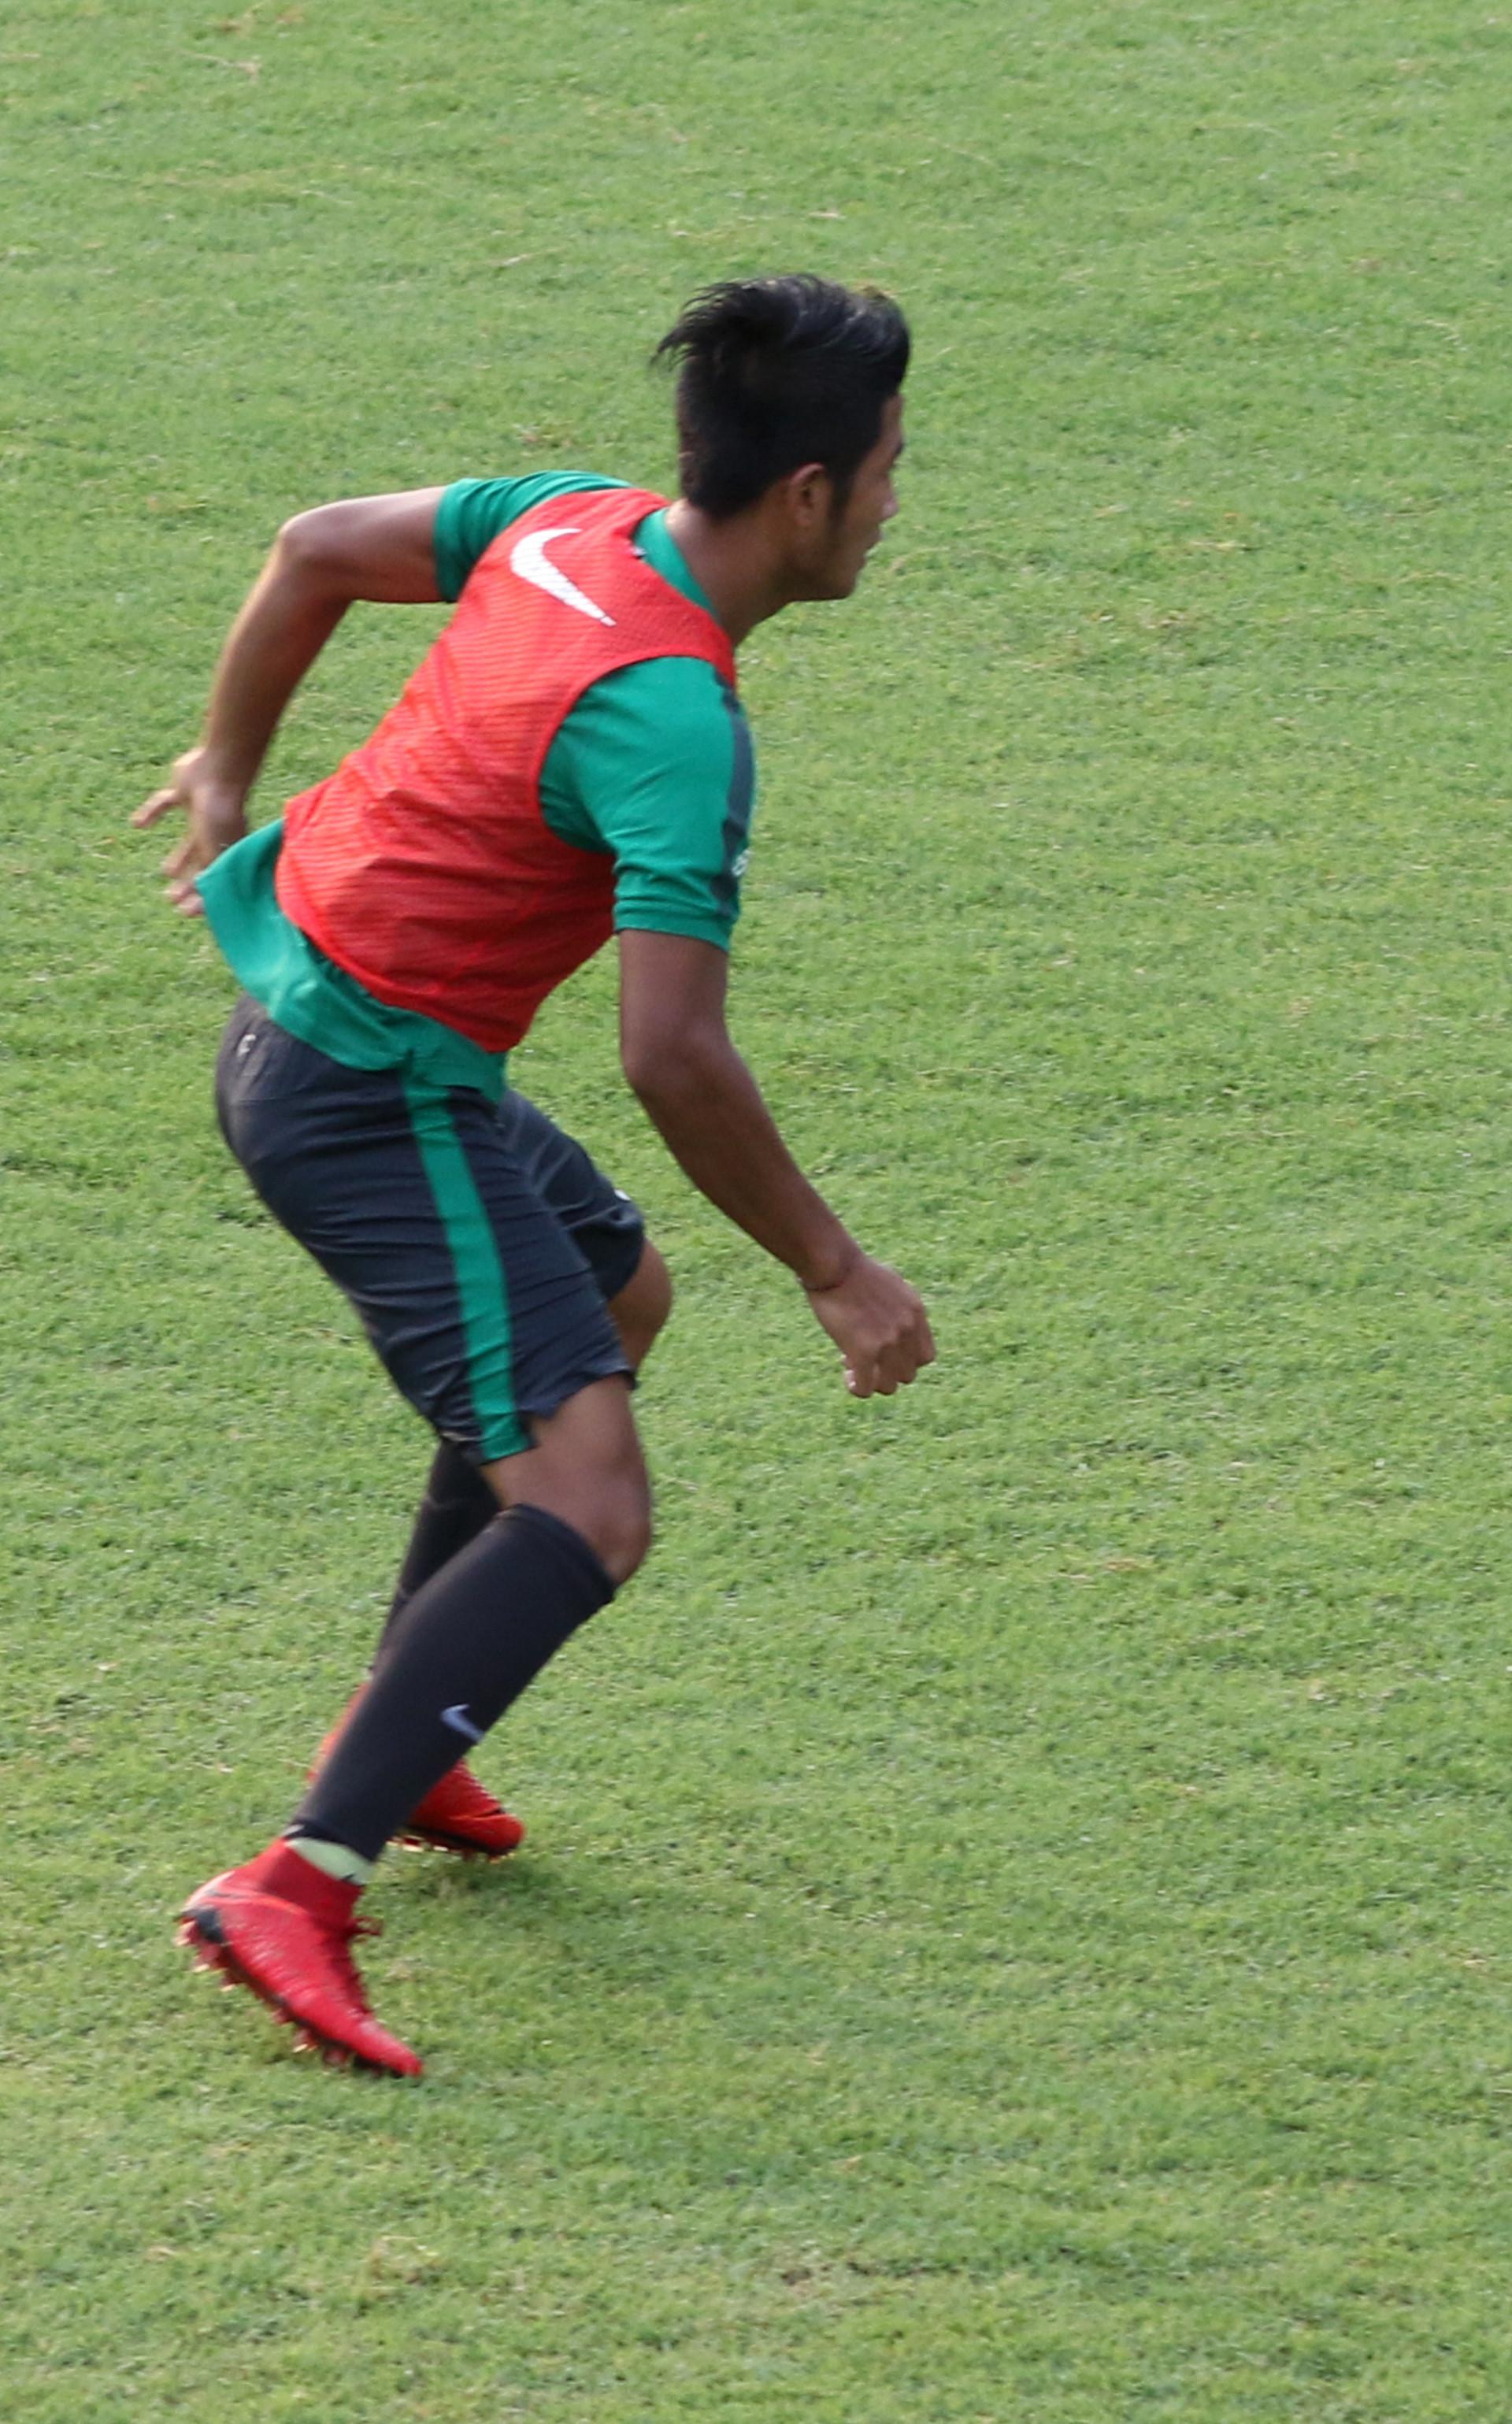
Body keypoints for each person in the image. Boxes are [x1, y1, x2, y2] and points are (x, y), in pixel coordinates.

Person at [131, 275, 937, 2075]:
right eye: (889, 466)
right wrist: (834, 1266)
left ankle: (411, 1736)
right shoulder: (673, 717)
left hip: (342, 1028)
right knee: (591, 1502)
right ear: (808, 491)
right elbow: (673, 1055)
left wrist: (224, 766)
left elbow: (315, 547)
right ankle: (294, 1885)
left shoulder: (570, 524)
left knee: (613, 1290)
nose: (898, 501)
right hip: (366, 1094)